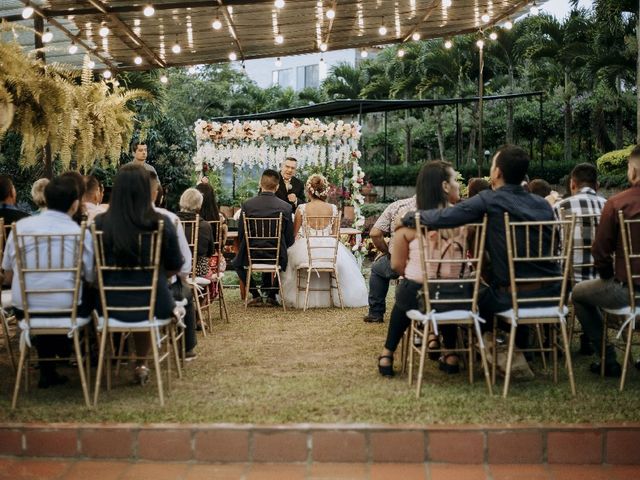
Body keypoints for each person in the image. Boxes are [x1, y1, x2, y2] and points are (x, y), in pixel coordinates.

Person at [401, 145, 560, 352]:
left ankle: (493, 346)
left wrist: (412, 217)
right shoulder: (543, 205)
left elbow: (447, 217)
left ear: (497, 172)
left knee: (472, 294)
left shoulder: (490, 199)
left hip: (509, 298)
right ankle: (519, 347)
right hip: (552, 294)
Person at [2, 175, 94, 388]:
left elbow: (7, 276)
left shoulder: (21, 228)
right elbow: (90, 277)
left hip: (26, 312)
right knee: (86, 295)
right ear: (74, 204)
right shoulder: (79, 233)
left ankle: (48, 366)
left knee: (41, 298)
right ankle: (65, 350)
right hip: (69, 311)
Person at [94, 165, 183, 382]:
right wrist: (155, 273)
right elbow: (176, 264)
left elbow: (92, 268)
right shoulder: (161, 223)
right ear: (147, 191)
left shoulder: (99, 224)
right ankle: (141, 363)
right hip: (154, 302)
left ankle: (106, 361)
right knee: (147, 297)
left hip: (108, 304)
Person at [378, 161, 466, 377]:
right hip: (458, 295)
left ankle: (388, 352)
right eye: (455, 180)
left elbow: (397, 265)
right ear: (445, 187)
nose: (458, 186)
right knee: (444, 291)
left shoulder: (407, 225)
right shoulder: (467, 220)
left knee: (407, 292)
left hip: (418, 293)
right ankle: (451, 352)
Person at [571, 146, 640, 377]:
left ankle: (607, 357)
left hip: (627, 291)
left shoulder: (618, 203)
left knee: (578, 293)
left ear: (633, 171)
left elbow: (600, 252)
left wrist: (609, 276)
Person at [280, 174, 368, 309]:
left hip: (307, 250)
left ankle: (301, 295)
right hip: (329, 250)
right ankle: (332, 295)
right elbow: (335, 234)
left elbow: (293, 234)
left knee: (290, 257)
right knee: (338, 260)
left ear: (309, 191)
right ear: (324, 190)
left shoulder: (302, 208)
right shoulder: (333, 208)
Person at [553, 163, 607, 356]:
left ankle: (557, 336)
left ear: (572, 184)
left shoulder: (559, 207)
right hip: (603, 279)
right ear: (597, 185)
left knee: (559, 268)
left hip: (567, 281)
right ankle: (588, 338)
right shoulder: (609, 206)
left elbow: (552, 247)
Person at [148, 172, 198, 360]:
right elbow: (183, 263)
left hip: (116, 297)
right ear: (155, 193)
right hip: (161, 293)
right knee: (184, 291)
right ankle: (186, 347)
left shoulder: (106, 220)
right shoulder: (167, 219)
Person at [233, 169, 294, 306]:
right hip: (276, 254)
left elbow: (241, 233)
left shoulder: (248, 205)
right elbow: (289, 238)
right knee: (288, 260)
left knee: (237, 263)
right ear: (277, 187)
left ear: (260, 184)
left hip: (252, 253)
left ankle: (255, 294)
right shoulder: (285, 207)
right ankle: (272, 294)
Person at [363, 194, 417, 323]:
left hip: (402, 262)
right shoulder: (448, 208)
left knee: (377, 268)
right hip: (440, 265)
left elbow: (375, 233)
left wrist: (387, 251)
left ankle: (376, 313)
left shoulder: (398, 206)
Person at [176, 188, 215, 277]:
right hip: (198, 271)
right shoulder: (205, 226)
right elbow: (210, 252)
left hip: (175, 268)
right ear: (199, 205)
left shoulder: (171, 221)